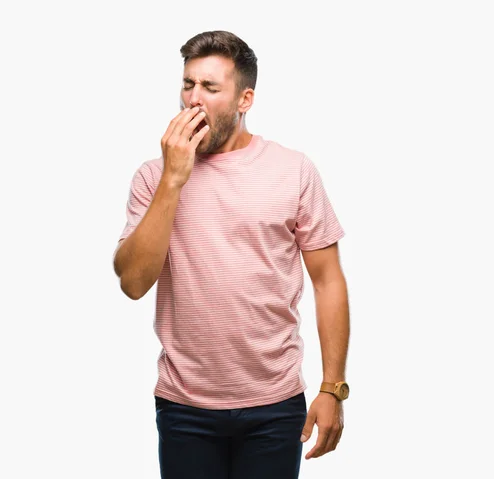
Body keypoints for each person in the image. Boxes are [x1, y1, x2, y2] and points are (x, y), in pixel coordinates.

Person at [113, 30, 350, 479]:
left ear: (245, 99)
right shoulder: (152, 177)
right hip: (185, 407)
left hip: (275, 405)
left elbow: (328, 280)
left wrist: (332, 389)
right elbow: (133, 283)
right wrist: (173, 180)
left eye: (210, 88)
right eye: (188, 84)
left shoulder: (293, 170)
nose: (192, 100)